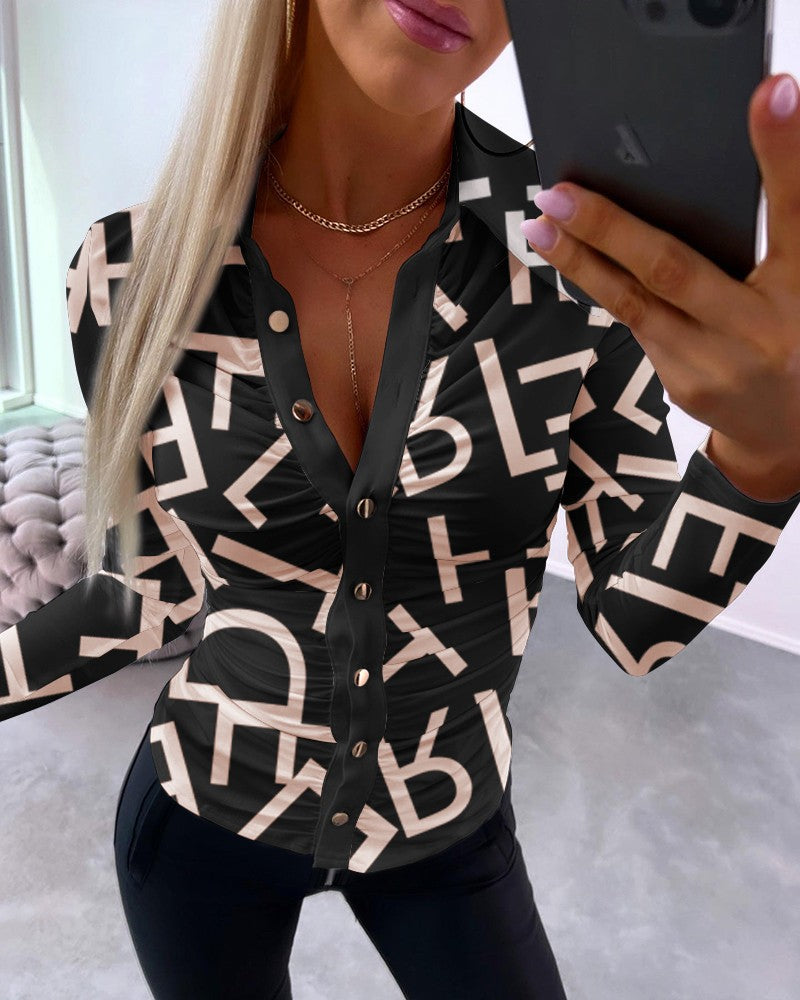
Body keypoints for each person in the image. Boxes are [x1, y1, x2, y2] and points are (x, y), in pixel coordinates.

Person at [2, 1, 799, 998]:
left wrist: (762, 458)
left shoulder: (574, 253)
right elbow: (145, 591)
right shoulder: (127, 273)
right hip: (200, 813)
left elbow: (634, 622)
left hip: (447, 825)